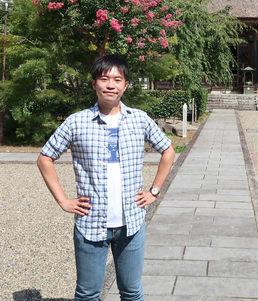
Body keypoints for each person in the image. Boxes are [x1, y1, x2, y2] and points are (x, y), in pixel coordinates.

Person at [37, 54, 175, 301]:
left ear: (125, 85)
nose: (111, 85)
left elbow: (168, 150)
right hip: (91, 223)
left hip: (131, 223)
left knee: (132, 292)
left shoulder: (139, 119)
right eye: (104, 78)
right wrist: (63, 200)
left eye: (117, 79)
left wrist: (154, 191)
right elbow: (45, 158)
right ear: (94, 83)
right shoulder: (76, 122)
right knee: (88, 294)